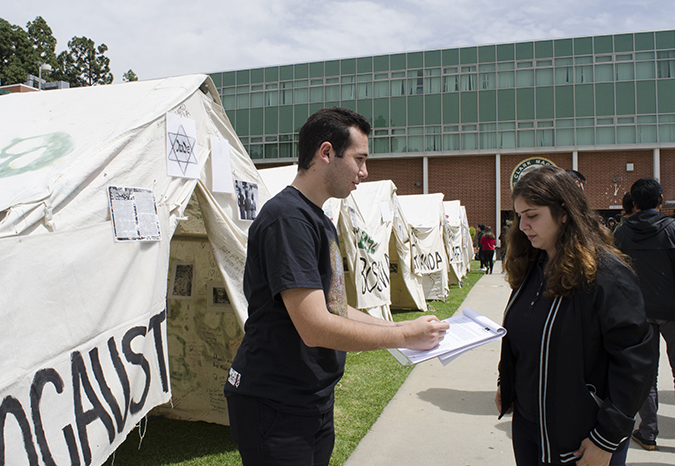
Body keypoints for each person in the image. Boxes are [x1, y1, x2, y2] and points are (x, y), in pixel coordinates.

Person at [224, 107, 450, 466]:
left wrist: (401, 327)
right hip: (276, 403)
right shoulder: (288, 219)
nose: (364, 173)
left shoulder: (318, 218)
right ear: (326, 153)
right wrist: (404, 338)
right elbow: (315, 327)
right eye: (359, 159)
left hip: (309, 398)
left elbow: (336, 307)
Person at [496, 166, 654, 466]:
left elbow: (637, 361)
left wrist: (606, 438)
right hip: (530, 428)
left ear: (564, 212)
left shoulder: (606, 273)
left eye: (532, 215)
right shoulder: (534, 265)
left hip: (583, 439)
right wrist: (508, 381)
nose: (523, 225)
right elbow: (522, 337)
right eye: (519, 216)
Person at [614, 178, 675, 451]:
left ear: (634, 203)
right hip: (673, 311)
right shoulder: (672, 229)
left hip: (640, 313)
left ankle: (648, 433)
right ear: (661, 200)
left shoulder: (621, 234)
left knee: (647, 376)